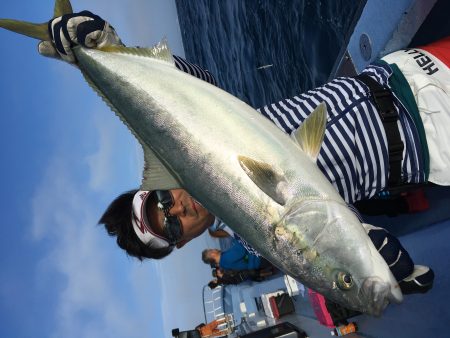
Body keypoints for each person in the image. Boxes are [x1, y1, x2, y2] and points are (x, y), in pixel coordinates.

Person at [37, 11, 440, 292]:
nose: (178, 209)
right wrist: (368, 259)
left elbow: (191, 84)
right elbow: (322, 222)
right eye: (171, 226)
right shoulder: (259, 240)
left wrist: (108, 47)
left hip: (402, 71)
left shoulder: (214, 135)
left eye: (162, 201)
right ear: (182, 242)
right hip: (431, 146)